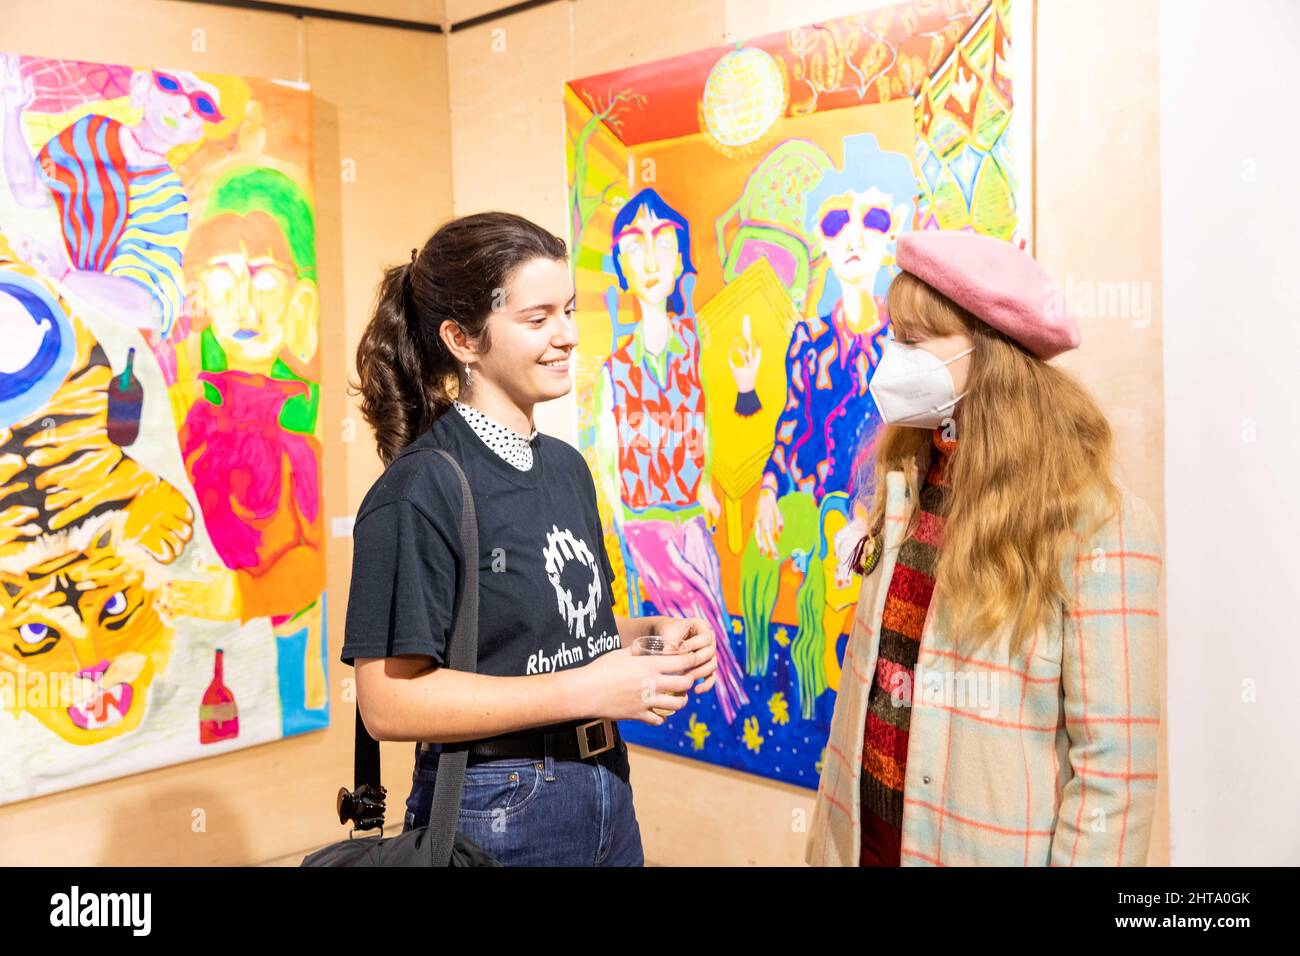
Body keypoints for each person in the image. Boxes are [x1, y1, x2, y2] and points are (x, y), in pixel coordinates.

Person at [341, 211, 720, 867]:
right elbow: (388, 703)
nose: (568, 337)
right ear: (463, 339)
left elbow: (540, 635)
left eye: (568, 311)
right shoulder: (421, 488)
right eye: (537, 318)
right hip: (494, 808)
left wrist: (649, 639)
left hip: (605, 790)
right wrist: (591, 691)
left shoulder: (568, 467)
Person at [806, 230, 1163, 866]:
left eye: (913, 343)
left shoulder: (1095, 525)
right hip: (866, 839)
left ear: (992, 354)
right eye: (893, 337)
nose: (892, 358)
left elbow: (1114, 769)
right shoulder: (909, 480)